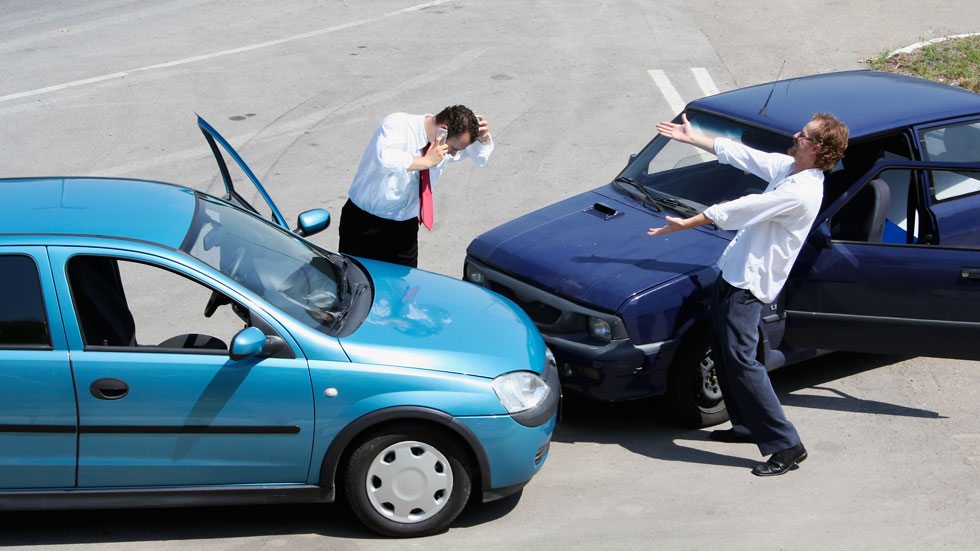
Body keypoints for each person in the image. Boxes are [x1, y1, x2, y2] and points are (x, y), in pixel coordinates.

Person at [648, 112, 848, 476]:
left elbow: (744, 208)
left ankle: (787, 445)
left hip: (749, 286)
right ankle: (745, 426)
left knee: (742, 362)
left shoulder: (800, 192)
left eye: (802, 134)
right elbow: (743, 154)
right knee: (725, 353)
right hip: (734, 273)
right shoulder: (790, 169)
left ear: (816, 147)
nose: (794, 134)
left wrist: (689, 222)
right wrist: (692, 139)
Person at [338, 105, 493, 268]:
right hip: (365, 225)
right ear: (443, 131)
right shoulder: (397, 124)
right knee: (355, 285)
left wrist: (484, 139)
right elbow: (385, 159)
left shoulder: (442, 145)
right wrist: (426, 161)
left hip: (405, 230)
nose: (453, 154)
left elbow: (480, 157)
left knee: (405, 287)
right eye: (454, 148)